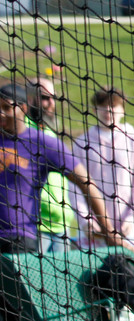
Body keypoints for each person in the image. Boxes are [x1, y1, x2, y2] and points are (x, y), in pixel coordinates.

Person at [0, 83, 127, 321]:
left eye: (5, 107)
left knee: (13, 316)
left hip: (20, 242)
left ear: (22, 109)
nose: (0, 113)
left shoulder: (42, 143)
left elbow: (86, 183)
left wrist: (108, 230)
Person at [71, 86, 134, 250]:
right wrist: (86, 221)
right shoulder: (81, 143)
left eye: (113, 106)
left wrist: (133, 219)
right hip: (95, 233)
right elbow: (75, 187)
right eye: (103, 106)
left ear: (123, 109)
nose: (108, 110)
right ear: (94, 109)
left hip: (128, 231)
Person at [27, 77, 77, 252]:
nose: (50, 103)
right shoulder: (23, 131)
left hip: (62, 224)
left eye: (52, 98)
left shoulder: (48, 131)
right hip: (36, 225)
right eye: (44, 98)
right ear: (29, 98)